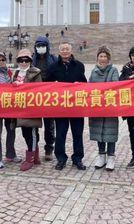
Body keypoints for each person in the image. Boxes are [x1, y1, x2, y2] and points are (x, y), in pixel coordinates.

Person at [47, 41, 88, 170]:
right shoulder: (53, 67)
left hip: (76, 106)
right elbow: (46, 84)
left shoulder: (79, 66)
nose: (65, 51)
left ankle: (78, 158)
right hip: (61, 106)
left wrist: (79, 84)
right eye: (62, 49)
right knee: (60, 134)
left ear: (71, 51)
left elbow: (85, 83)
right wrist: (55, 84)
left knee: (77, 133)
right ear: (59, 51)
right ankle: (61, 158)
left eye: (67, 49)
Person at [89, 46, 120, 171]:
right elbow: (89, 87)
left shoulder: (113, 70)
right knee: (98, 131)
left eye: (105, 56)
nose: (102, 58)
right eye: (100, 56)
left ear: (108, 58)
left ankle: (111, 156)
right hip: (97, 106)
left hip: (109, 106)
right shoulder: (93, 71)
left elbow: (115, 86)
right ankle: (101, 155)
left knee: (110, 132)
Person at [12, 49, 43, 171]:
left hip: (31, 108)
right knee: (25, 133)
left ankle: (30, 157)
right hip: (19, 108)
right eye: (21, 60)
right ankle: (34, 155)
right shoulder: (16, 73)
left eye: (26, 60)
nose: (23, 62)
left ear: (30, 61)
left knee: (32, 133)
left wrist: (23, 87)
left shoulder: (36, 73)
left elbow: (38, 89)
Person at [32, 35, 58, 161]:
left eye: (43, 45)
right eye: (38, 45)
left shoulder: (53, 59)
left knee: (49, 124)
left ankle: (49, 148)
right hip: (35, 96)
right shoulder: (31, 60)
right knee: (34, 123)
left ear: (47, 47)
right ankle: (34, 147)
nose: (40, 48)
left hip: (49, 96)